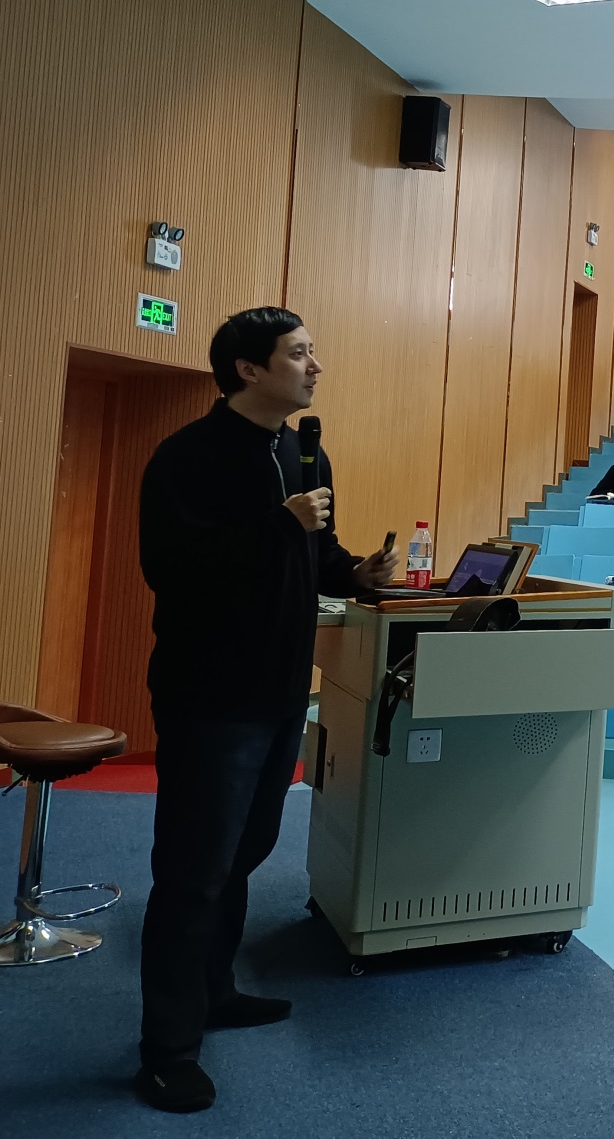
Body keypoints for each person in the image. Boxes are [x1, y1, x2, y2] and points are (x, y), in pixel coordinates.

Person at [134, 308, 397, 1112]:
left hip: (282, 689)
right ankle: (166, 1050)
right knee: (193, 872)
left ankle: (215, 991)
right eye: (299, 354)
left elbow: (316, 555)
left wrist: (359, 573)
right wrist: (278, 525)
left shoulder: (302, 450)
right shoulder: (188, 456)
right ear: (248, 369)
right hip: (211, 698)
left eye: (313, 352)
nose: (316, 366)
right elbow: (172, 568)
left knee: (244, 853)